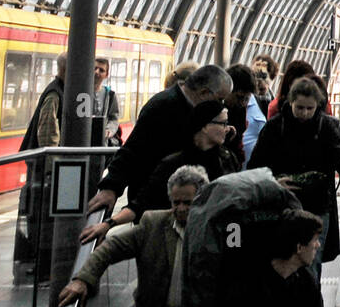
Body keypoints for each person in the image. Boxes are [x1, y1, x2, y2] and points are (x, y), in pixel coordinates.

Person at [58, 164, 209, 307]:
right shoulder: (153, 223)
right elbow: (110, 248)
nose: (181, 209)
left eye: (188, 203)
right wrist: (83, 279)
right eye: (176, 202)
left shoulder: (215, 228)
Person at [249, 76, 340, 279]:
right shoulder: (274, 128)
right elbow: (257, 165)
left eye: (310, 108)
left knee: (310, 263)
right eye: (300, 108)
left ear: (318, 106)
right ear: (290, 103)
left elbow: (339, 151)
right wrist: (273, 182)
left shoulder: (325, 126)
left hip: (315, 204)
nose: (304, 114)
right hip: (286, 204)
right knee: (285, 261)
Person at [87, 64, 232, 215]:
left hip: (176, 201)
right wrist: (111, 188)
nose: (220, 106)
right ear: (204, 93)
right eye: (219, 99)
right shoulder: (163, 106)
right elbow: (134, 149)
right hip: (154, 202)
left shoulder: (191, 108)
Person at [13, 53, 65, 280]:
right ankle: (42, 264)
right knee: (43, 218)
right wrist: (53, 167)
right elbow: (48, 133)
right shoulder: (55, 93)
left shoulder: (57, 90)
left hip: (44, 167)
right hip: (45, 169)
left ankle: (41, 262)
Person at [137, 101, 240, 213]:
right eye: (223, 123)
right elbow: (146, 200)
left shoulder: (227, 158)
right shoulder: (172, 164)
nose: (228, 129)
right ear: (205, 126)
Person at [224, 64, 266, 165]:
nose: (242, 103)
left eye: (247, 99)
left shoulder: (240, 110)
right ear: (227, 89)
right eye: (239, 97)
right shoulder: (215, 110)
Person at [92, 57, 121, 145]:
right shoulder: (80, 93)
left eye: (101, 70)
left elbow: (114, 118)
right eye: (95, 68)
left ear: (106, 74)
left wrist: (108, 131)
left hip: (101, 144)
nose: (97, 72)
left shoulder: (110, 95)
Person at [251, 54, 279, 119]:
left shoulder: (273, 100)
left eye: (263, 76)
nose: (259, 81)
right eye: (256, 76)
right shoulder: (248, 100)